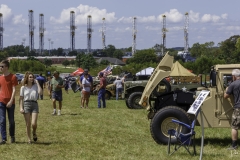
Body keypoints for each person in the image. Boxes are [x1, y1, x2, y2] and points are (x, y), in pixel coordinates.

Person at [19, 72, 42, 144]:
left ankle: (34, 132)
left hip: (34, 104)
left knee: (33, 123)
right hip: (26, 104)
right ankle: (29, 139)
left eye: (32, 77)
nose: (32, 78)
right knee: (28, 123)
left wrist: (37, 83)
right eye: (30, 77)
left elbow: (40, 93)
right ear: (27, 78)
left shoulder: (35, 86)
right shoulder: (23, 87)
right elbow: (21, 98)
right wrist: (20, 108)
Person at [0, 60, 18, 145]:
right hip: (1, 102)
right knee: (2, 120)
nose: (0, 68)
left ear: (6, 67)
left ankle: (12, 136)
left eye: (2, 66)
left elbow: (14, 90)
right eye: (0, 66)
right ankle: (3, 139)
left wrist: (11, 101)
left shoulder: (13, 77)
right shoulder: (0, 77)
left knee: (11, 121)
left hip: (11, 102)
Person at [224, 69, 240, 150]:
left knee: (234, 127)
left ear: (234, 76)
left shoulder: (233, 84)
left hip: (238, 108)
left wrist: (227, 89)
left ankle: (234, 145)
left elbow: (226, 96)